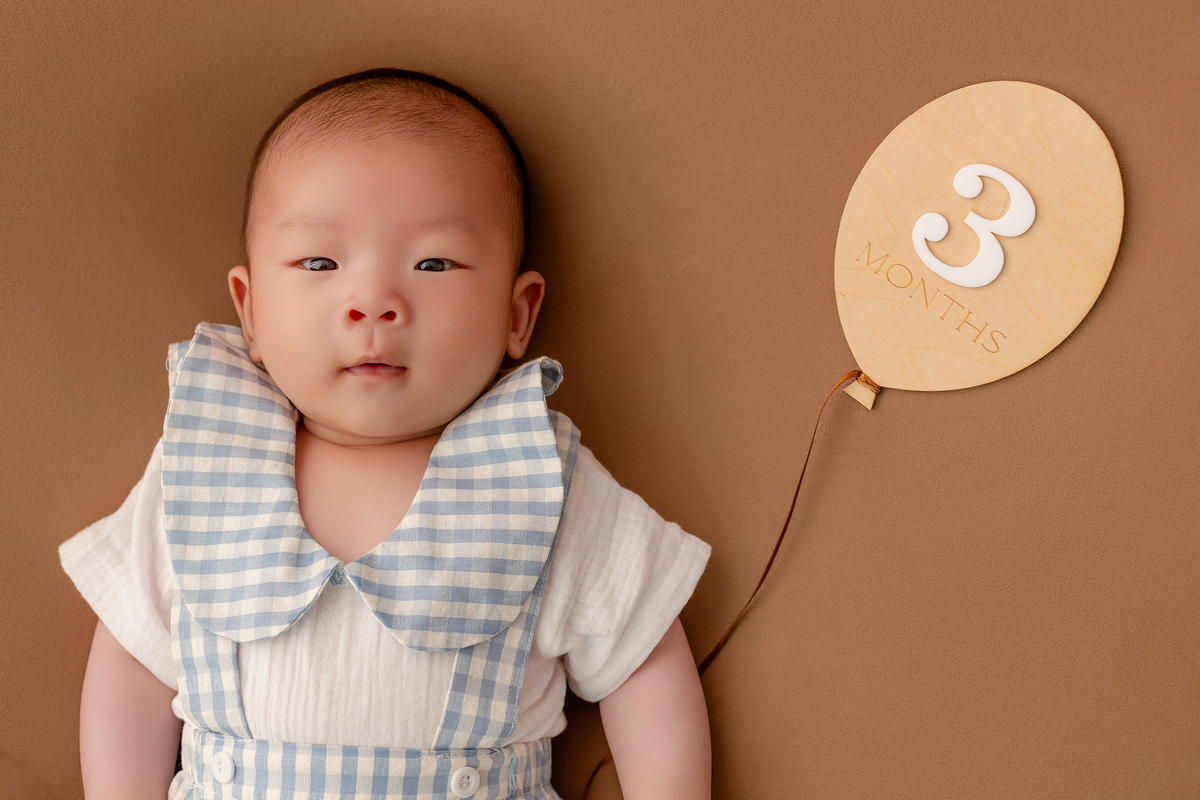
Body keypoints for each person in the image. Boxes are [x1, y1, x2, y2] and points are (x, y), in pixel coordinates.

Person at [59, 68, 712, 799]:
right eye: (319, 262)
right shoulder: (208, 464)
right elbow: (132, 663)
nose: (373, 301)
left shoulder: (536, 479)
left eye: (433, 262)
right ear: (251, 312)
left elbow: (645, 666)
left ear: (516, 315)